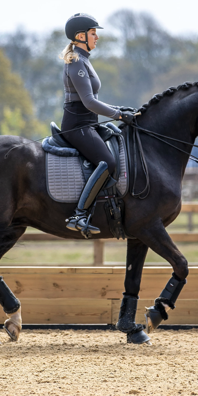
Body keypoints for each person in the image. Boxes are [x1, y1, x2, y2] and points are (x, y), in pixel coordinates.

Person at [60, 13, 135, 236]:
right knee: (107, 161)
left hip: (89, 123)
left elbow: (95, 101)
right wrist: (119, 115)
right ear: (80, 36)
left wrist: (121, 110)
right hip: (77, 126)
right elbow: (89, 102)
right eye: (94, 33)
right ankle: (79, 214)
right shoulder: (76, 62)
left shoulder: (84, 60)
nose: (97, 38)